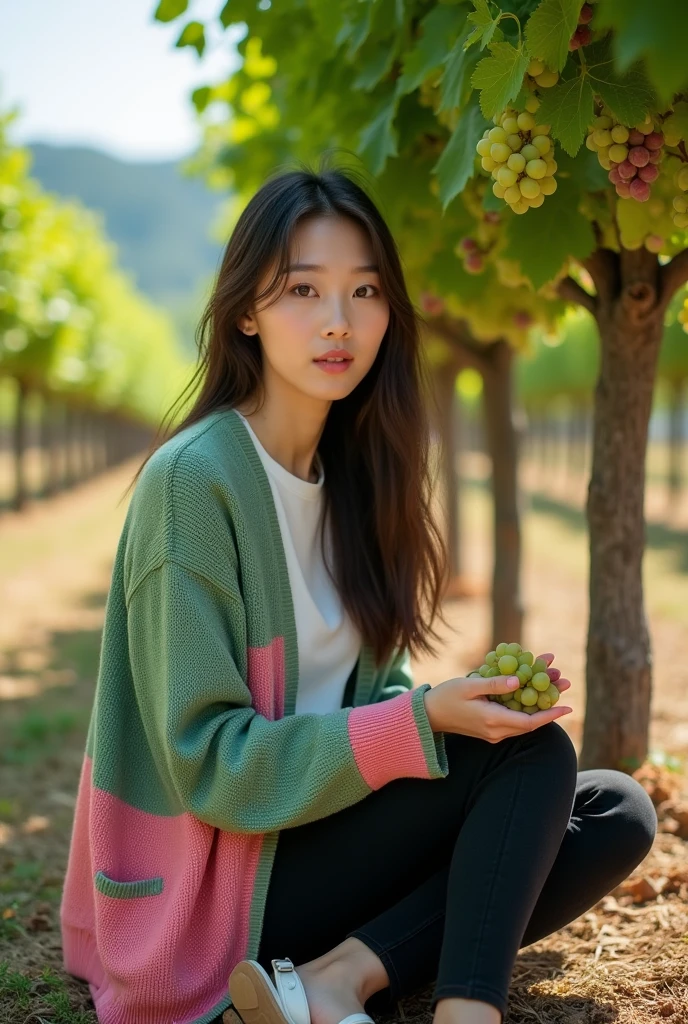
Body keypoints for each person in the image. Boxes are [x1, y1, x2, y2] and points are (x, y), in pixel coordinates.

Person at [59, 160, 657, 1024]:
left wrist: (454, 704)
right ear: (246, 313)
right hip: (217, 891)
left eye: (366, 291)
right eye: (304, 289)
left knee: (612, 808)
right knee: (532, 765)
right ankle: (463, 1010)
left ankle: (339, 980)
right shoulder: (194, 485)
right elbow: (213, 769)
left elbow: (361, 701)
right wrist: (425, 723)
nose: (339, 322)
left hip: (314, 844)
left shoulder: (352, 480)